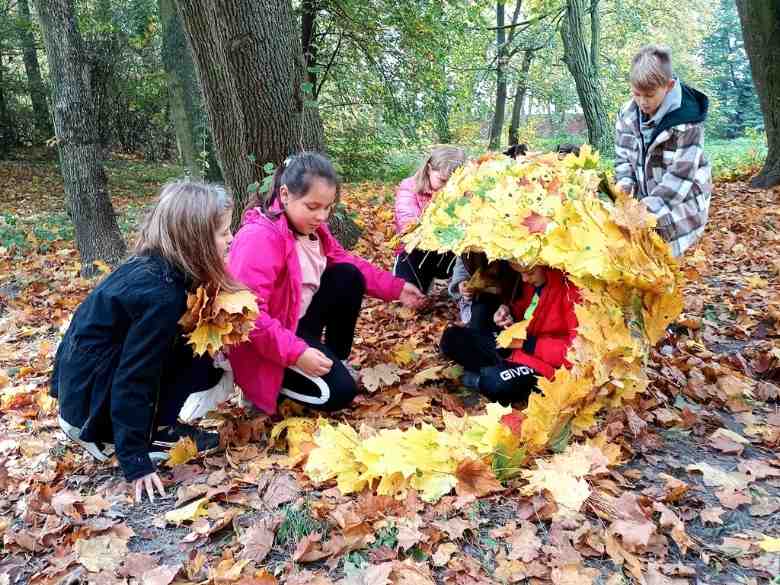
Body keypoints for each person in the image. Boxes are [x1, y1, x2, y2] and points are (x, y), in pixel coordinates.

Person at [51, 181, 236, 503]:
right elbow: (135, 377)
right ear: (196, 241)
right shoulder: (162, 295)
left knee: (198, 342)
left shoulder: (158, 267)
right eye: (223, 233)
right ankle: (149, 438)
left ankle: (159, 426)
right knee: (189, 347)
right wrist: (134, 461)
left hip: (84, 388)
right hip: (88, 410)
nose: (231, 239)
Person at [228, 152, 426, 414]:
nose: (322, 216)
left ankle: (333, 360)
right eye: (313, 207)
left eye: (328, 207)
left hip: (296, 324)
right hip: (265, 346)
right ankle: (265, 390)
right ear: (285, 195)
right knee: (340, 393)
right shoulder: (260, 238)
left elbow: (347, 263)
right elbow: (248, 316)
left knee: (347, 275)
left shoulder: (314, 230)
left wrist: (396, 287)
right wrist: (296, 353)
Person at [614, 44, 712, 257]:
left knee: (664, 260)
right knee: (636, 256)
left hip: (681, 203)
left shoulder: (688, 124)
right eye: (636, 94)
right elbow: (623, 158)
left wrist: (641, 213)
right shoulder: (627, 114)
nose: (642, 102)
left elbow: (678, 179)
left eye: (649, 95)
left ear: (669, 85)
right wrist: (624, 192)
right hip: (645, 197)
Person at [440, 262, 580, 405]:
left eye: (530, 272)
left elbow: (579, 352)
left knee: (496, 383)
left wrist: (528, 344)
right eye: (521, 273)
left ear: (547, 265)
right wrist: (508, 312)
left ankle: (481, 377)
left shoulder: (572, 291)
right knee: (451, 338)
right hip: (515, 350)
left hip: (545, 365)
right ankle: (490, 369)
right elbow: (526, 309)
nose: (525, 279)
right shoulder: (534, 282)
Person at [393, 145, 466, 294]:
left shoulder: (462, 192)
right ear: (429, 169)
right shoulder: (409, 187)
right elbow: (407, 222)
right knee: (409, 293)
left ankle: (451, 284)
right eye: (442, 180)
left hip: (448, 252)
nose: (445, 188)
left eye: (451, 183)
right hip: (416, 251)